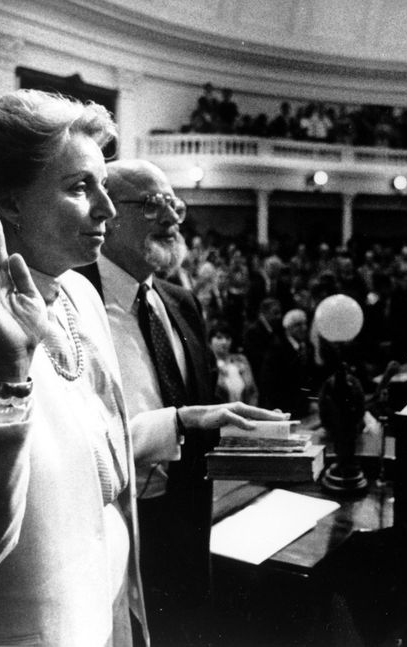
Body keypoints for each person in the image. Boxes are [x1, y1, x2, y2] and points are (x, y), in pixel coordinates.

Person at [0, 89, 159, 645]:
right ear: (11, 202)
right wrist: (5, 373)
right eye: (79, 188)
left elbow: (101, 477)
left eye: (104, 187)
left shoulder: (82, 298)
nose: (107, 211)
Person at [94, 158, 285, 644]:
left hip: (188, 516)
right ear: (106, 212)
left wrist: (261, 440)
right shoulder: (75, 302)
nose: (173, 218)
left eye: (174, 203)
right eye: (153, 205)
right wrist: (179, 421)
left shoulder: (180, 301)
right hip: (116, 524)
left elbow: (200, 410)